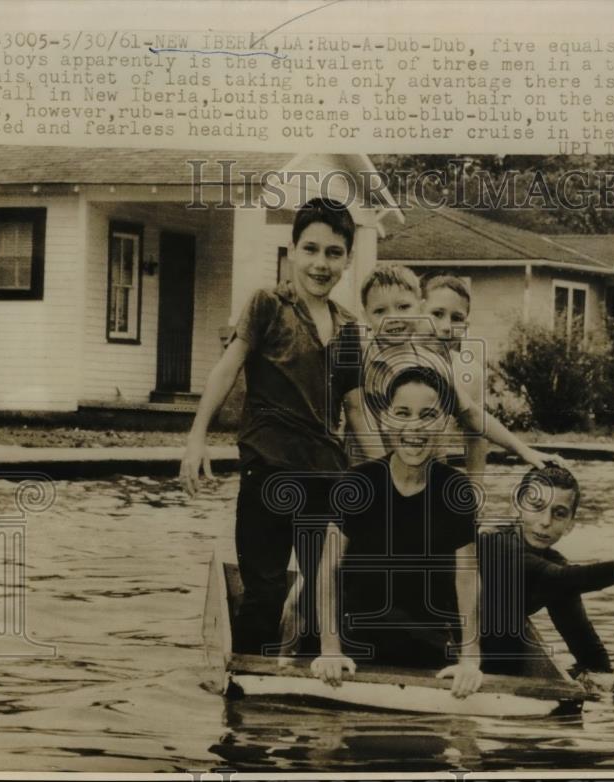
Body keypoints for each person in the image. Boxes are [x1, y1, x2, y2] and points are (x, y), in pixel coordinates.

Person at [179, 197, 366, 656]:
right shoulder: (267, 305)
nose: (321, 264)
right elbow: (227, 368)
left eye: (334, 252)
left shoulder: (347, 327)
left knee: (329, 603)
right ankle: (244, 705)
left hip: (328, 477)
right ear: (292, 250)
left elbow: (356, 409)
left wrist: (389, 475)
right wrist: (196, 439)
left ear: (347, 258)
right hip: (268, 473)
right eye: (311, 249)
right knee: (264, 595)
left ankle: (307, 696)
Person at [311, 365, 483, 698]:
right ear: (386, 419)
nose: (414, 427)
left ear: (446, 424)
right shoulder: (359, 482)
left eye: (428, 415)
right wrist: (330, 649)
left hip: (427, 646)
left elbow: (467, 576)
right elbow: (329, 568)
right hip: (356, 642)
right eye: (403, 413)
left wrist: (470, 659)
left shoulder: (455, 490)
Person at [480, 464, 614, 677]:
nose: (545, 522)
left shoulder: (555, 567)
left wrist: (606, 689)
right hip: (448, 646)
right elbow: (560, 578)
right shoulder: (493, 542)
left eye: (559, 514)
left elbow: (588, 649)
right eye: (537, 507)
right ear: (516, 507)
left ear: (570, 524)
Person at [345, 265, 552, 471]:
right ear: (365, 316)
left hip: (422, 481)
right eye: (380, 311)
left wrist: (524, 451)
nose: (393, 318)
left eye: (403, 307)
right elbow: (355, 415)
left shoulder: (432, 364)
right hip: (370, 480)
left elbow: (472, 414)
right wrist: (384, 476)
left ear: (419, 307)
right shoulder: (361, 356)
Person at [420, 273, 490, 486]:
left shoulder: (469, 372)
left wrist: (475, 486)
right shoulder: (392, 359)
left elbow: (476, 433)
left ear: (466, 325)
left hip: (430, 478)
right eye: (437, 314)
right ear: (419, 311)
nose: (446, 327)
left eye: (456, 318)